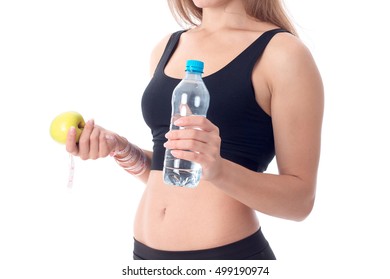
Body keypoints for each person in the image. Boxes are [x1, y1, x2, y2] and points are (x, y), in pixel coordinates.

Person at [66, 0, 324, 260]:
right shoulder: (168, 47)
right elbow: (177, 174)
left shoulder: (283, 53)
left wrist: (218, 169)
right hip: (145, 258)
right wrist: (121, 149)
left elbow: (300, 202)